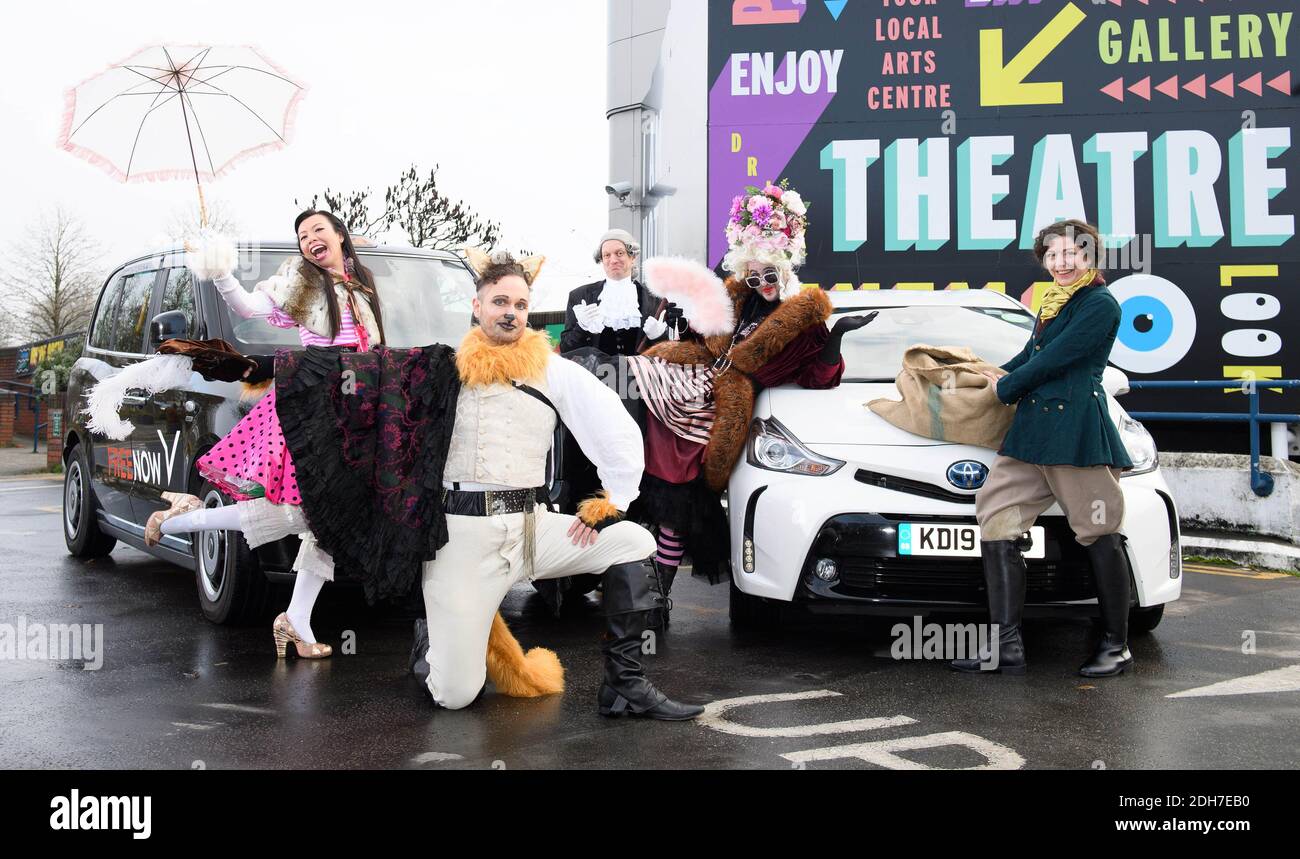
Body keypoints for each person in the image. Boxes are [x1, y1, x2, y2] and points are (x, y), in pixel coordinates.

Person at [275, 248, 704, 719]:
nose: (511, 313)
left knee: (633, 539)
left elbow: (610, 421)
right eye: (500, 302)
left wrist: (614, 500)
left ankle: (625, 685)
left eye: (521, 305)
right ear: (477, 306)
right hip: (461, 539)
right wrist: (264, 371)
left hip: (532, 531)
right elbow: (354, 374)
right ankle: (431, 638)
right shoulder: (437, 368)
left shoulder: (553, 370)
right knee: (457, 694)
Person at [141, 211, 384, 658]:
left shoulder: (361, 282)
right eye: (303, 235)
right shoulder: (301, 282)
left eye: (319, 231)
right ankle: (293, 616)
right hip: (313, 409)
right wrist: (220, 274)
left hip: (354, 411)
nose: (310, 239)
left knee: (323, 521)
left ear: (339, 237)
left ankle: (295, 618)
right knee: (314, 517)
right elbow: (250, 308)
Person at [627, 181, 874, 610]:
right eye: (755, 276)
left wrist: (835, 336)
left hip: (718, 412)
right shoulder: (733, 301)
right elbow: (705, 343)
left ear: (786, 268)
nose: (763, 284)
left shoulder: (803, 323)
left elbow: (820, 379)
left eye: (770, 275)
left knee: (677, 504)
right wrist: (686, 327)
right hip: (688, 384)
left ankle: (657, 596)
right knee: (627, 383)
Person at [950, 219, 1135, 678]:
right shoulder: (1052, 303)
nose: (1061, 262)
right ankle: (1006, 647)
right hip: (1032, 434)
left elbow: (1057, 360)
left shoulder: (1100, 304)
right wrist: (986, 372)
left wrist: (1006, 387)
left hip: (1074, 432)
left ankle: (1116, 645)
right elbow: (1032, 355)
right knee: (996, 515)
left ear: (1090, 255)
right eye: (1052, 256)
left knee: (1098, 529)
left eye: (1071, 253)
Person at [560, 229, 685, 355]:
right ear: (602, 260)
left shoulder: (656, 299)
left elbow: (674, 354)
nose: (613, 260)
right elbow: (566, 349)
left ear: (633, 257)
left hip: (640, 373)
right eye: (607, 255)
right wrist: (581, 327)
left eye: (619, 253)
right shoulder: (580, 296)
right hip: (594, 374)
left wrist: (659, 336)